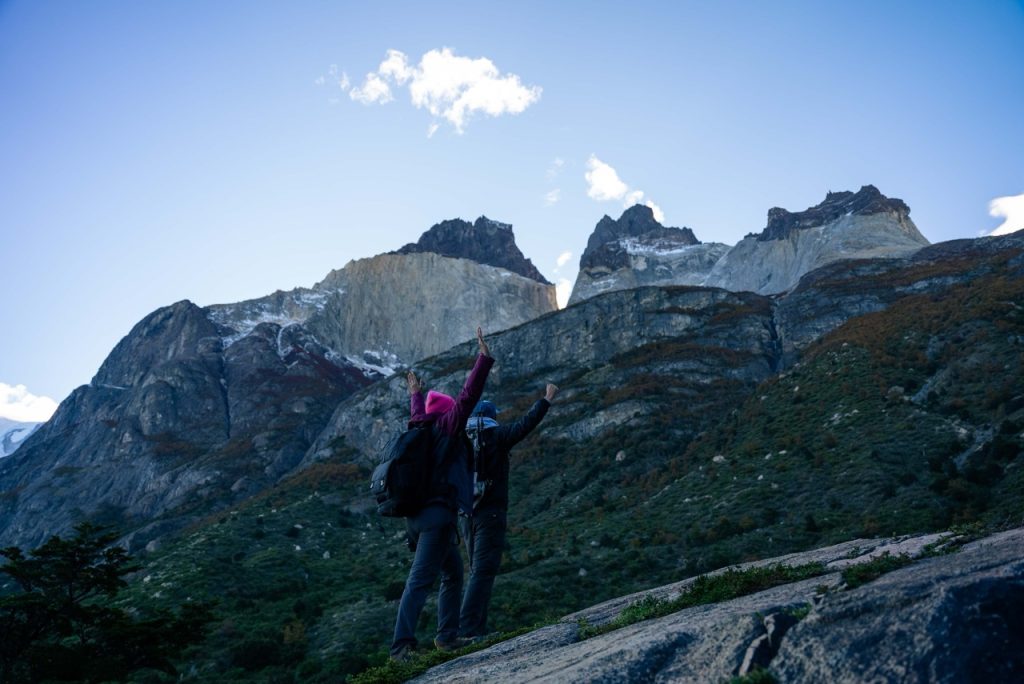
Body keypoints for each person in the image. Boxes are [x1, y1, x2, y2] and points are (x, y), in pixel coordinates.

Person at [390, 327, 494, 662]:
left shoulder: (421, 429)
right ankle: (401, 647)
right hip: (436, 517)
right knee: (419, 581)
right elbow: (468, 396)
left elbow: (418, 415)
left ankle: (447, 637)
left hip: (417, 518)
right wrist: (483, 360)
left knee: (452, 572)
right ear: (447, 414)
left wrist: (415, 396)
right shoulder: (446, 429)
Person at [458, 382, 558, 640]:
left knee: (476, 571)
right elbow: (526, 424)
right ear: (492, 418)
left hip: (465, 515)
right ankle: (468, 629)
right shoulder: (498, 436)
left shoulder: (460, 440)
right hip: (490, 514)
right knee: (484, 570)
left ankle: (474, 628)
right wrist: (546, 400)